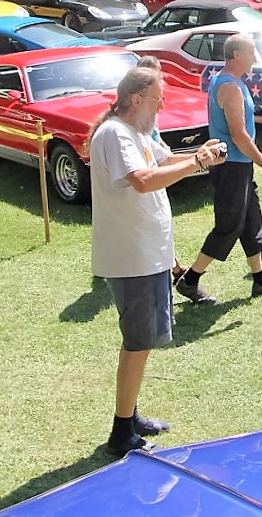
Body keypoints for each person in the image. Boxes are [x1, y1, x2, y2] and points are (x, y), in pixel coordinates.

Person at [88, 66, 225, 456]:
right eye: (157, 97)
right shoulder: (115, 133)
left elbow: (164, 163)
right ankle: (120, 433)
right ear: (136, 99)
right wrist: (197, 163)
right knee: (137, 342)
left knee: (143, 341)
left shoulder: (138, 133)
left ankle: (129, 416)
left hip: (147, 254)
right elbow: (143, 180)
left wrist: (200, 155)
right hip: (131, 257)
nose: (163, 103)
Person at [176, 36, 262, 303]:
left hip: (240, 166)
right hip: (231, 167)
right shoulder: (229, 88)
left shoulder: (234, 83)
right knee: (228, 226)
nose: (255, 56)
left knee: (251, 221)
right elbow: (239, 135)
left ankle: (260, 280)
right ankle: (189, 280)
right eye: (251, 51)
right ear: (236, 54)